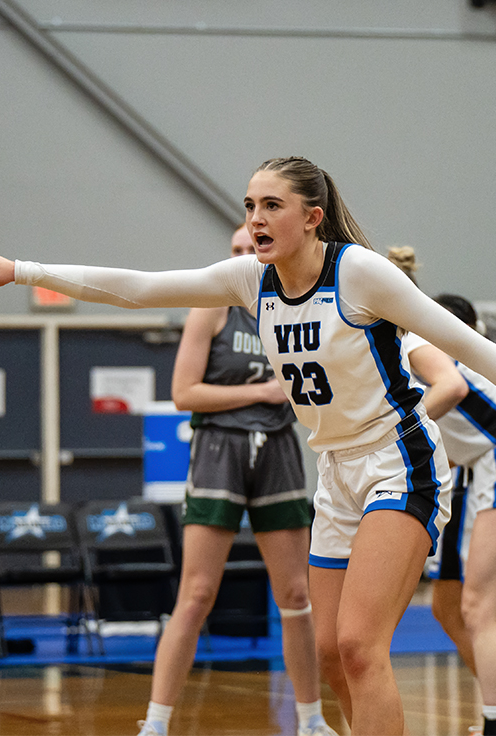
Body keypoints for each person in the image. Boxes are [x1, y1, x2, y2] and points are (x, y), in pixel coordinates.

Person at [0, 155, 496, 736]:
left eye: (272, 205)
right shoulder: (250, 280)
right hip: (335, 471)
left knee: (360, 646)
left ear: (312, 217)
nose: (256, 219)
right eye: (249, 206)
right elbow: (139, 289)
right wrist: (20, 269)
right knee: (329, 655)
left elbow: (467, 346)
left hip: (399, 459)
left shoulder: (358, 273)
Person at [138, 224, 336, 736]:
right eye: (236, 249)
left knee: (296, 595)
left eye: (251, 247)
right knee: (197, 592)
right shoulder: (212, 306)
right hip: (218, 448)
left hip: (278, 448)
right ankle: (156, 723)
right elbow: (184, 393)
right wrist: (261, 393)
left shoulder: (296, 308)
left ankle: (312, 720)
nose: (244, 255)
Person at [389, 248, 496, 735]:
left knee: (480, 608)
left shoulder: (412, 338)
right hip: (493, 461)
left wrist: (392, 434)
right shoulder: (413, 341)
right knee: (474, 608)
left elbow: (453, 389)